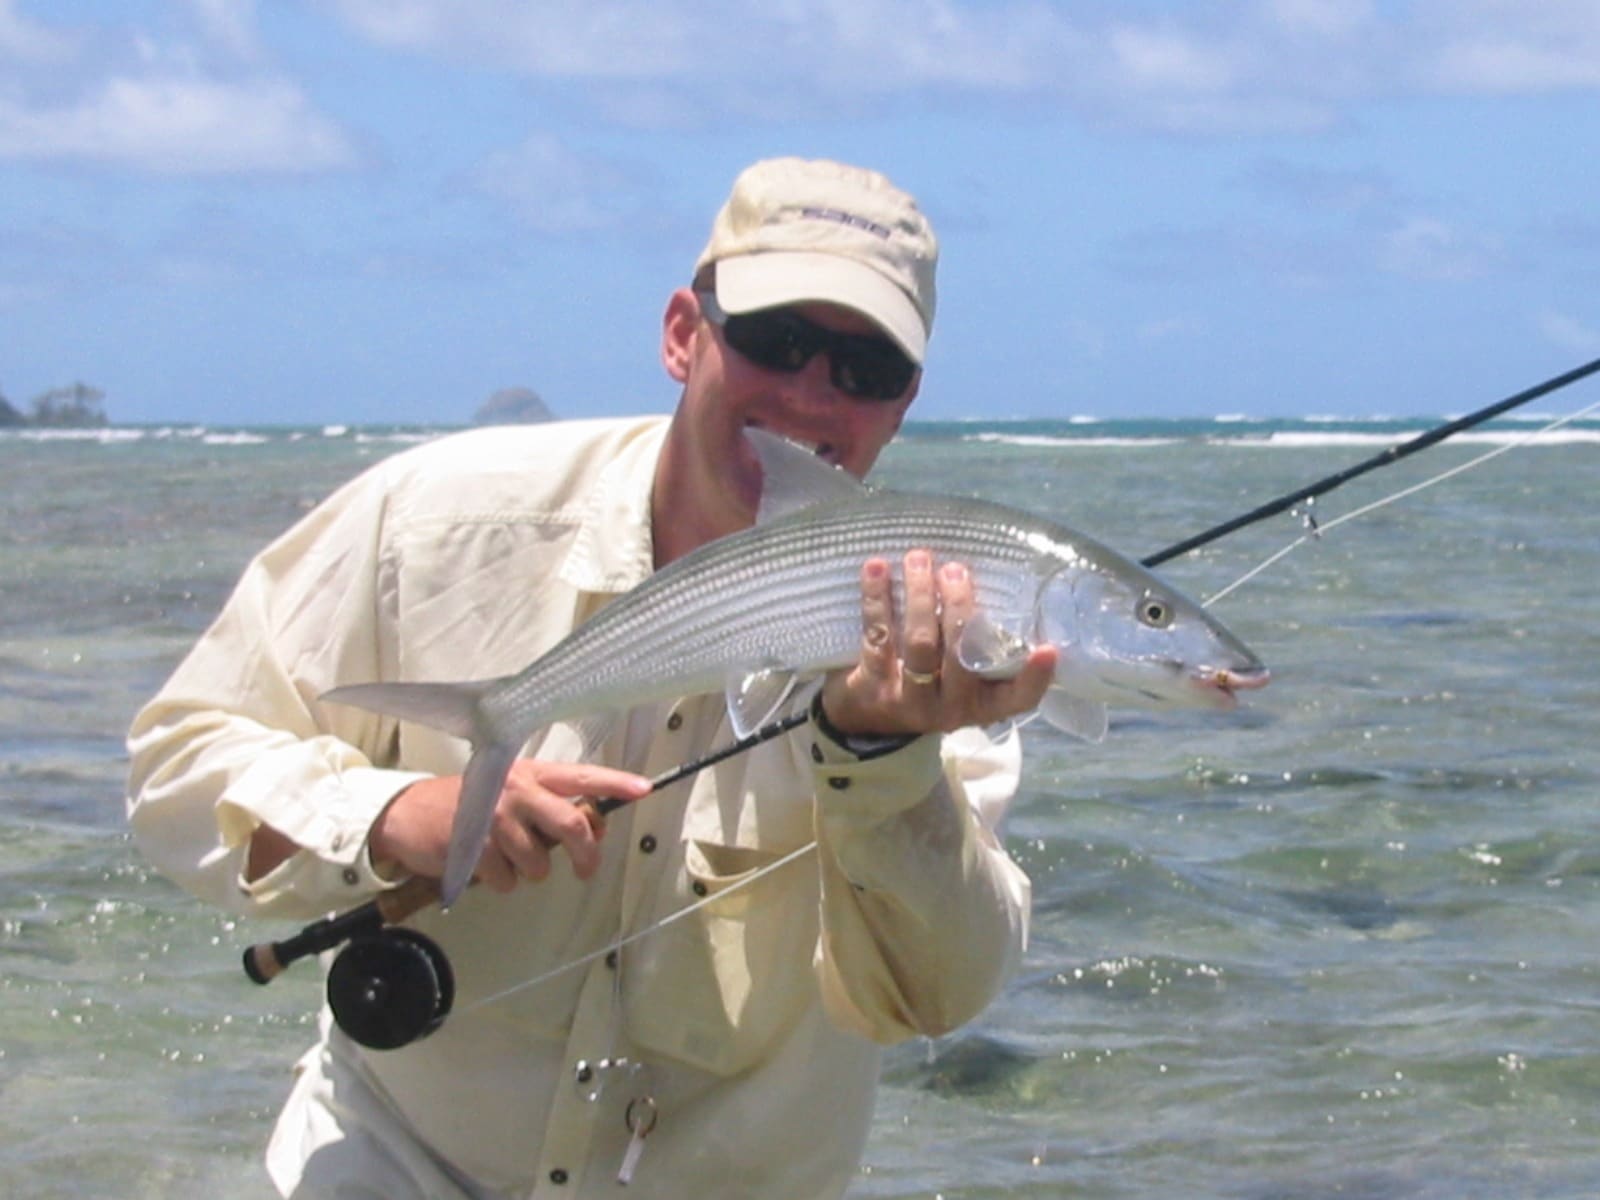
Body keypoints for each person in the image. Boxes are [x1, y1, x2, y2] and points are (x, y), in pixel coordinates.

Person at [127, 156, 1057, 1200]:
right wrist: (395, 815)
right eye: (774, 340)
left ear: (903, 404)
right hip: (392, 1164)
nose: (808, 393)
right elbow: (174, 765)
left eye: (864, 368)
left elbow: (939, 993)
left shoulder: (937, 644)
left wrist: (885, 762)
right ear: (680, 334)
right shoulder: (432, 522)